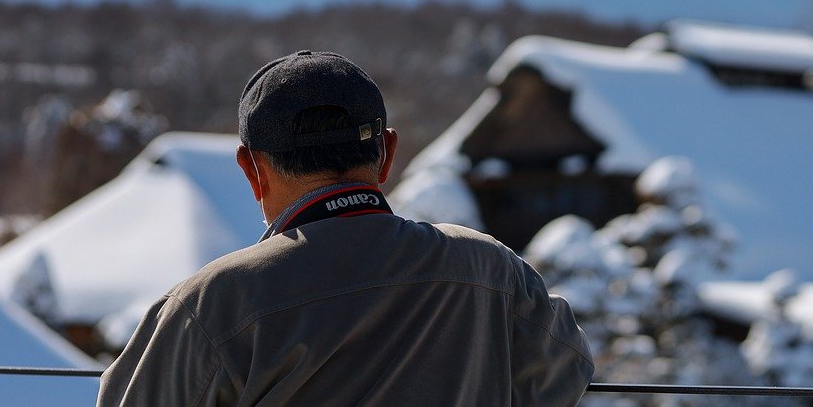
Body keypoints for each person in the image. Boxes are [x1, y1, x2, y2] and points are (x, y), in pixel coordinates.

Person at [98, 50, 594, 406]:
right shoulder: (491, 270)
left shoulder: (214, 304)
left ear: (251, 169)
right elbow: (565, 373)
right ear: (388, 154)